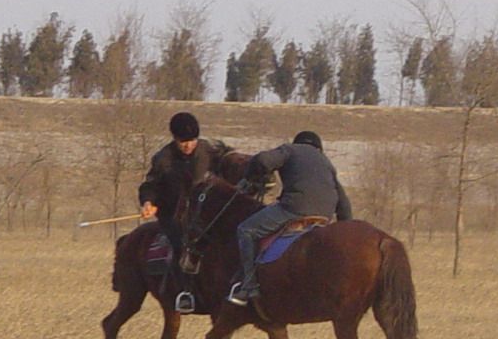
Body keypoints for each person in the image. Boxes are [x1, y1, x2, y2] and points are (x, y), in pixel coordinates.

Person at [228, 130, 353, 306]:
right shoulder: (326, 163)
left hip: (295, 208)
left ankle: (248, 285)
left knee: (245, 230)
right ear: (319, 148)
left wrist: (250, 177)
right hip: (325, 215)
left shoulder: (290, 150)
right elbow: (344, 206)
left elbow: (262, 160)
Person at [139, 111, 234, 312]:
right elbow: (151, 185)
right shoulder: (163, 159)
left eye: (192, 141)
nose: (188, 146)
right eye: (183, 142)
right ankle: (185, 291)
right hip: (174, 215)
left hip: (206, 215)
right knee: (182, 245)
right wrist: (148, 202)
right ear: (175, 139)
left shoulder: (209, 152)